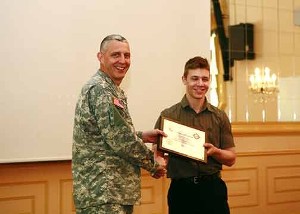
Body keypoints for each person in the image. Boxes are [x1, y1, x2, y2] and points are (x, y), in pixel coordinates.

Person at [72, 34, 166, 214]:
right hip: (103, 192)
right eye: (116, 55)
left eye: (127, 55)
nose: (123, 61)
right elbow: (120, 140)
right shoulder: (101, 89)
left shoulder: (110, 88)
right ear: (101, 57)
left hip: (110, 191)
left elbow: (107, 135)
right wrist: (153, 163)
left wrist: (142, 136)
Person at [154, 56, 236, 214]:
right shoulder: (168, 116)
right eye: (194, 78)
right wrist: (159, 163)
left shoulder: (220, 116)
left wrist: (215, 152)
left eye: (205, 79)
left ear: (209, 80)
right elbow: (157, 153)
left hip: (213, 190)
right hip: (181, 192)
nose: (200, 84)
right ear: (184, 79)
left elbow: (232, 158)